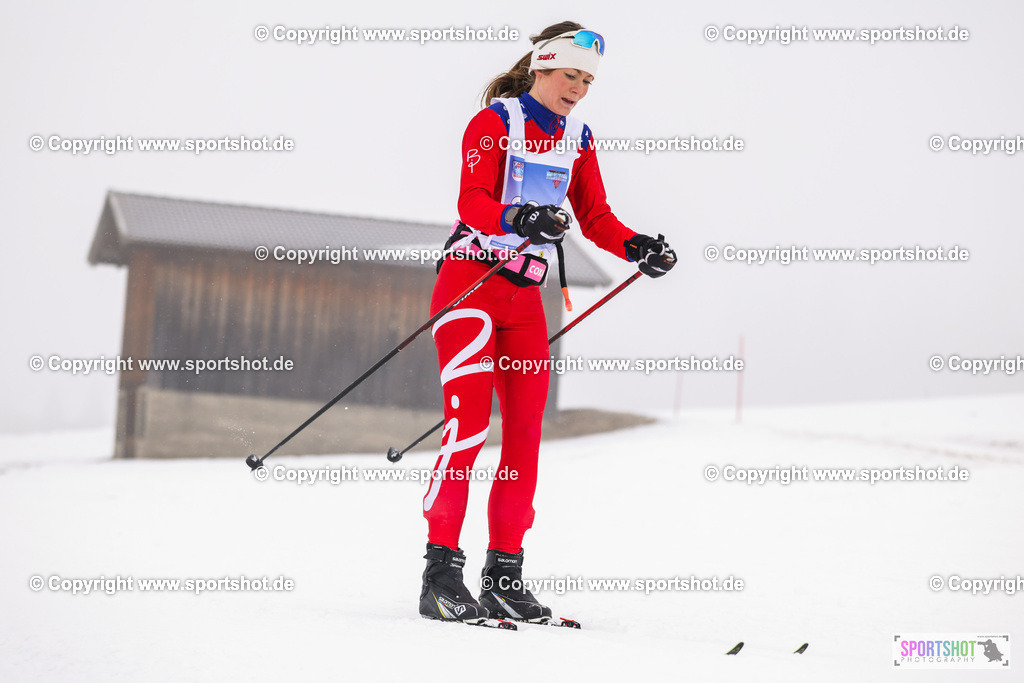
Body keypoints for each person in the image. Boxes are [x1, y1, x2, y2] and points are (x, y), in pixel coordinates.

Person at [419, 21, 676, 625]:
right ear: (542, 66)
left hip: (524, 301)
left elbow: (595, 216)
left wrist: (637, 244)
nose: (579, 89)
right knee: (469, 428)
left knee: (527, 438)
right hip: (471, 287)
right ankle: (440, 574)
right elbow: (472, 201)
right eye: (570, 76)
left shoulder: (579, 138)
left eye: (588, 80)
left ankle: (504, 574)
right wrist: (520, 214)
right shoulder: (495, 123)